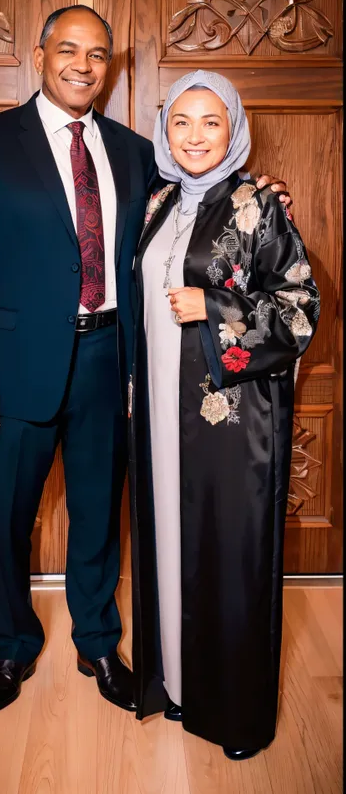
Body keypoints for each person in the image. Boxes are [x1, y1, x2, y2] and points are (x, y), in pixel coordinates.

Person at [0, 5, 292, 717]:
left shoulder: (135, 151)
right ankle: (12, 645)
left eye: (98, 54)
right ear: (40, 55)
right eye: (68, 50)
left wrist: (264, 199)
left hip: (109, 359)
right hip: (9, 370)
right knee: (8, 517)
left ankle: (98, 641)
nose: (83, 65)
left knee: (99, 514)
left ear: (110, 67)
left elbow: (197, 207)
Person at [129, 70, 319, 760]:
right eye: (182, 121)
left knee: (228, 556)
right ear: (165, 130)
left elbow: (302, 311)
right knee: (172, 543)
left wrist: (214, 307)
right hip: (158, 410)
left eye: (211, 121)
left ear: (234, 127)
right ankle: (178, 685)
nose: (196, 135)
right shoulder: (157, 202)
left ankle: (232, 710)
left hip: (228, 420)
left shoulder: (259, 206)